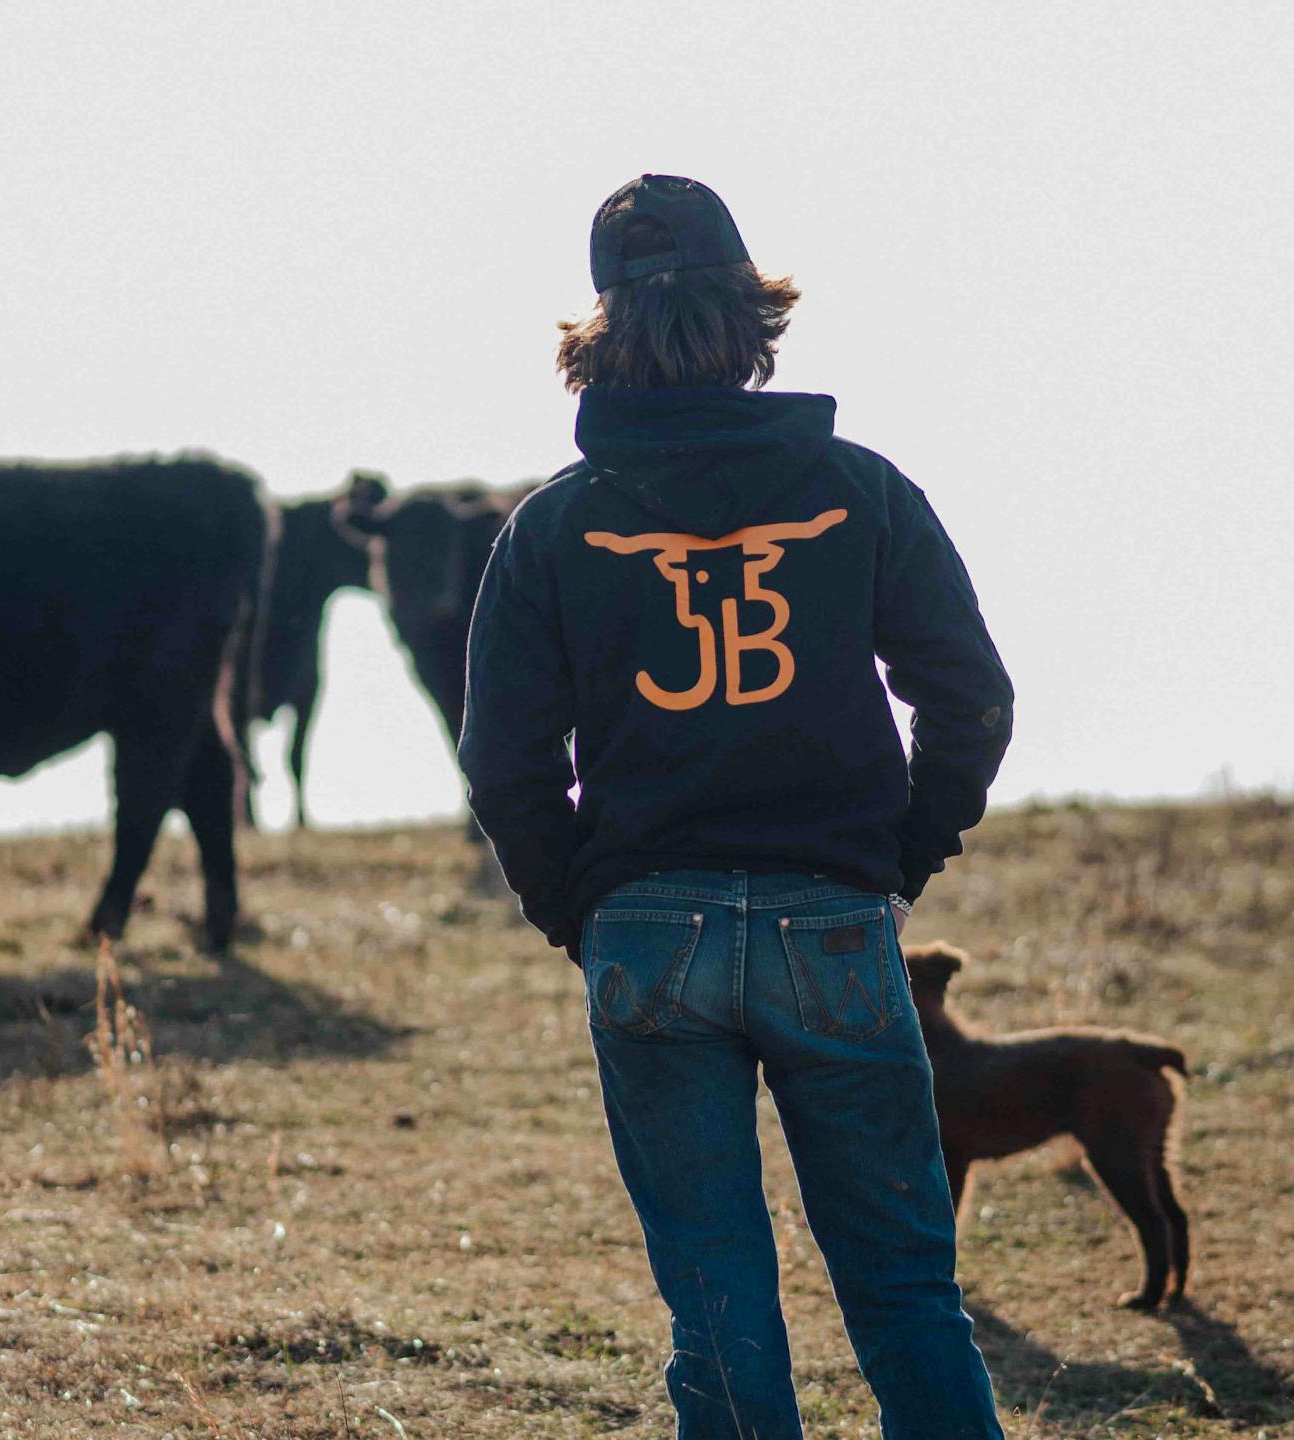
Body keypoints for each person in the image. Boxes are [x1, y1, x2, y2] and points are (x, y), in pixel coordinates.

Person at [458, 174, 1014, 1439]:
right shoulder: (863, 488)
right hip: (832, 920)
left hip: (649, 937)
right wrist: (897, 857)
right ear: (754, 315)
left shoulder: (554, 526)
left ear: (599, 336)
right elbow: (969, 699)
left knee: (715, 1313)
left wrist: (585, 913)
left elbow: (505, 765)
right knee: (909, 1294)